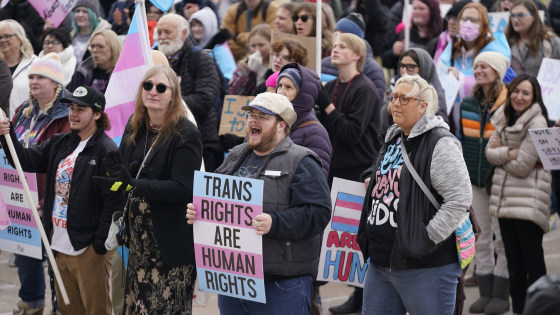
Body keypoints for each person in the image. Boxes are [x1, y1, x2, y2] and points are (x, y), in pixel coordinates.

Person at [186, 92, 332, 314]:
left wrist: (275, 223)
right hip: (234, 281)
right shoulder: (236, 155)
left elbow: (319, 213)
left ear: (282, 125)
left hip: (281, 286)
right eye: (251, 115)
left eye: (263, 116)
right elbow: (215, 199)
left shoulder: (301, 160)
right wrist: (199, 210)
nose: (253, 120)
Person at [0, 85, 122, 314]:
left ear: (97, 114)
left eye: (81, 109)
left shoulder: (108, 150)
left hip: (87, 249)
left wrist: (98, 245)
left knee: (97, 310)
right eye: (71, 108)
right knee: (68, 310)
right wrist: (6, 137)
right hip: (58, 244)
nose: (73, 114)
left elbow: (115, 201)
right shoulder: (60, 142)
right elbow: (25, 160)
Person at [357, 74, 472, 315]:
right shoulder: (394, 137)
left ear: (423, 106)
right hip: (381, 262)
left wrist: (426, 239)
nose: (395, 103)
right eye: (394, 97)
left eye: (404, 98)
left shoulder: (440, 143)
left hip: (425, 266)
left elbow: (459, 199)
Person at [94, 65, 202, 314]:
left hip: (168, 246)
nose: (153, 91)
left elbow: (183, 188)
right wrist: (111, 176)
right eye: (148, 85)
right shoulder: (136, 127)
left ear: (173, 95)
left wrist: (135, 185)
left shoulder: (185, 133)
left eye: (161, 87)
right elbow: (123, 174)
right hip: (139, 244)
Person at [9, 52, 70, 315]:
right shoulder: (23, 111)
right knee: (25, 253)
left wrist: (49, 200)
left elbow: (64, 163)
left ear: (56, 84)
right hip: (20, 195)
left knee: (57, 259)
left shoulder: (67, 115)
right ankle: (31, 302)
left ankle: (61, 306)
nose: (33, 81)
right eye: (31, 76)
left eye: (41, 77)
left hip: (49, 197)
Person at [486, 74, 551, 315]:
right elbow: (488, 153)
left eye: (526, 93)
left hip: (528, 202)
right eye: (516, 91)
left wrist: (503, 155)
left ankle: (541, 311)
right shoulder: (503, 116)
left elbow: (523, 165)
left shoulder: (538, 122)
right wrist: (509, 153)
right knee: (514, 264)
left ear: (534, 97)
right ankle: (520, 311)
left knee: (532, 265)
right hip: (504, 203)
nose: (519, 97)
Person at [459, 51, 510, 314]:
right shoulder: (467, 102)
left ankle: (502, 293)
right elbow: (463, 139)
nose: (478, 70)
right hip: (474, 179)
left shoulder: (509, 103)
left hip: (501, 179)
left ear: (497, 71)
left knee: (502, 238)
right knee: (481, 238)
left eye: (484, 66)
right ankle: (486, 292)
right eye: (476, 66)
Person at [156, 13, 221, 171]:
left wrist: (167, 102)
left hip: (201, 140)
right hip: (167, 139)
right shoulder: (156, 59)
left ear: (184, 33)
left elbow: (205, 98)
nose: (162, 37)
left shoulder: (201, 58)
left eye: (168, 32)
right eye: (159, 32)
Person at [317, 33, 381, 184]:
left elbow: (352, 133)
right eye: (334, 46)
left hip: (357, 171)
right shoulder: (332, 86)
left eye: (342, 47)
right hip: (332, 168)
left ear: (357, 55)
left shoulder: (365, 89)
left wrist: (327, 106)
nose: (335, 50)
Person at [439, 2, 511, 133]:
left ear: (484, 24)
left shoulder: (495, 47)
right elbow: (439, 73)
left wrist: (460, 78)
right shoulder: (454, 46)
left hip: (483, 114)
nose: (468, 23)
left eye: (474, 20)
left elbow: (493, 83)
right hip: (453, 114)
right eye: (464, 19)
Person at [276, 64, 332, 178]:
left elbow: (314, 182)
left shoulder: (316, 133)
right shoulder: (268, 122)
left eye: (288, 87)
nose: (281, 92)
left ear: (301, 94)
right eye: (280, 86)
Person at [321, 12, 386, 103]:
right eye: (336, 34)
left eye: (344, 35)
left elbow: (375, 105)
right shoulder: (324, 63)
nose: (338, 38)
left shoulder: (372, 69)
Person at [382, 48, 449, 131]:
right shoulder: (395, 84)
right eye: (402, 66)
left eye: (410, 67)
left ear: (424, 68)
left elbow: (440, 128)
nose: (404, 71)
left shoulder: (434, 94)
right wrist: (388, 109)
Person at [382, 0, 442, 71]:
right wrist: (394, 52)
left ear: (432, 11)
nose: (416, 12)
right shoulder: (404, 34)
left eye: (421, 8)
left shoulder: (442, 37)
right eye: (414, 8)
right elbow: (385, 61)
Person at [506, 0, 560, 77]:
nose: (515, 19)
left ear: (534, 16)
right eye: (512, 15)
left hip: (543, 88)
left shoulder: (550, 42)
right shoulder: (506, 43)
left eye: (520, 15)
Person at [0, 19, 37, 118]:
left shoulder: (35, 64)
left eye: (7, 36)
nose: (2, 40)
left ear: (20, 38)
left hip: (27, 124)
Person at [68, 29, 122, 94]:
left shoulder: (123, 73)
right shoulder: (82, 71)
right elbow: (71, 99)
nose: (94, 50)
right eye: (92, 46)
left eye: (100, 46)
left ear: (114, 49)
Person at [229, 24, 272, 95]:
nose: (257, 50)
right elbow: (234, 93)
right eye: (253, 46)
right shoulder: (243, 65)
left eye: (261, 45)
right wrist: (250, 72)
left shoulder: (276, 65)